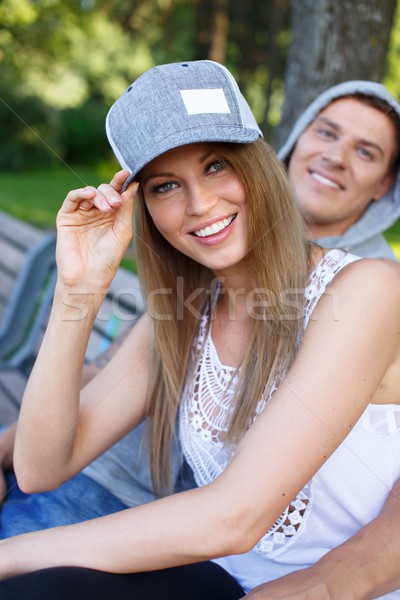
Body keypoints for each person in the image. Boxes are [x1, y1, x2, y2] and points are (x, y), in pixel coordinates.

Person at [1, 73, 400, 599]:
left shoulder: (367, 288)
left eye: (217, 165)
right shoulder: (182, 314)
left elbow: (235, 516)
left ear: (259, 166)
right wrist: (79, 289)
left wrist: (10, 556)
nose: (200, 204)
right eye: (165, 185)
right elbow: (41, 465)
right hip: (225, 575)